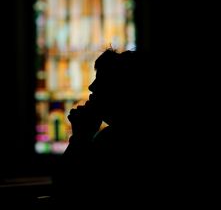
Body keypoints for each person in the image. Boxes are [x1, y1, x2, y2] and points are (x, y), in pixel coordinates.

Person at [51, 48, 156, 207]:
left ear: (122, 89)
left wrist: (80, 136)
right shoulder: (117, 135)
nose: (91, 87)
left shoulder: (113, 141)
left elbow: (65, 191)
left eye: (101, 80)